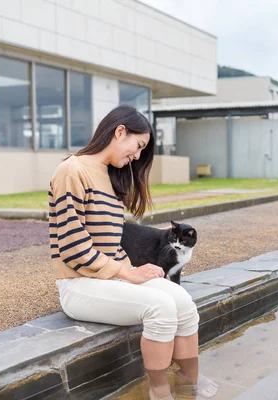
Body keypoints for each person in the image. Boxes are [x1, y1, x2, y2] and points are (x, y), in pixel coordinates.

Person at [48, 105, 218, 399]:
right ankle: (159, 389)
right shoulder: (71, 171)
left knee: (184, 304)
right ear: (119, 131)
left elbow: (112, 244)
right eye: (138, 147)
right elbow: (72, 248)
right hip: (78, 284)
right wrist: (128, 272)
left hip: (112, 277)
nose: (137, 156)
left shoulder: (111, 178)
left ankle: (188, 380)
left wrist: (136, 273)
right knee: (161, 309)